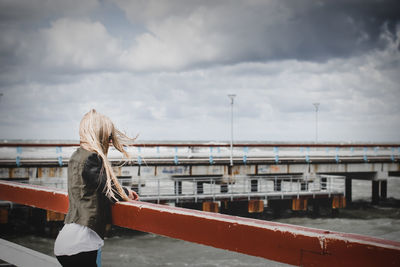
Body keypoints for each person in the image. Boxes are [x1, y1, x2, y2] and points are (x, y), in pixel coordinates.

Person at [54, 109, 139, 267]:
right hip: (81, 244)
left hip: (69, 239)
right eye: (109, 137)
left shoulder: (76, 156)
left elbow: (94, 187)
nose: (110, 142)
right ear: (100, 136)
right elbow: (108, 190)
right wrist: (127, 193)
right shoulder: (92, 159)